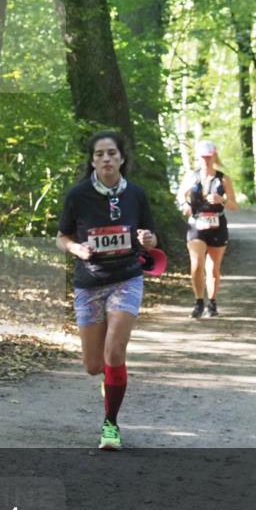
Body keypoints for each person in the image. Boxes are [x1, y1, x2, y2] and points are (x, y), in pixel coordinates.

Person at [56, 131, 158, 451]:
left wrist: (149, 241)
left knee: (115, 350)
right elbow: (62, 237)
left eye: (112, 153)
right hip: (89, 283)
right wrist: (76, 249)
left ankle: (110, 425)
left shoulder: (136, 195)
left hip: (126, 278)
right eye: (99, 154)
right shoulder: (78, 195)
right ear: (92, 161)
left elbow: (150, 236)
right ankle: (110, 384)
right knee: (94, 366)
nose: (106, 159)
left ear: (122, 158)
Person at [178, 140, 239, 318]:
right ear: (197, 157)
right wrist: (185, 204)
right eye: (202, 156)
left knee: (213, 269)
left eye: (208, 156)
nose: (205, 160)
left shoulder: (223, 179)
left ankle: (212, 303)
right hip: (196, 225)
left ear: (214, 155)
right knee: (197, 265)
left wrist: (222, 200)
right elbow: (181, 196)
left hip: (217, 225)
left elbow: (235, 206)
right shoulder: (191, 176)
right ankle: (198, 302)